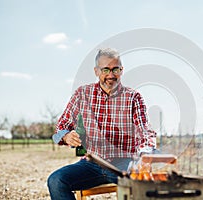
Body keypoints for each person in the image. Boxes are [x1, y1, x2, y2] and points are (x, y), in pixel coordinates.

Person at [47, 48, 157, 200]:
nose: (111, 75)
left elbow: (144, 131)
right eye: (105, 69)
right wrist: (65, 136)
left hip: (124, 164)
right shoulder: (82, 94)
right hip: (91, 164)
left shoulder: (133, 97)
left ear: (122, 70)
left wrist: (145, 156)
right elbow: (61, 126)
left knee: (147, 186)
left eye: (115, 69)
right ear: (96, 71)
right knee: (56, 181)